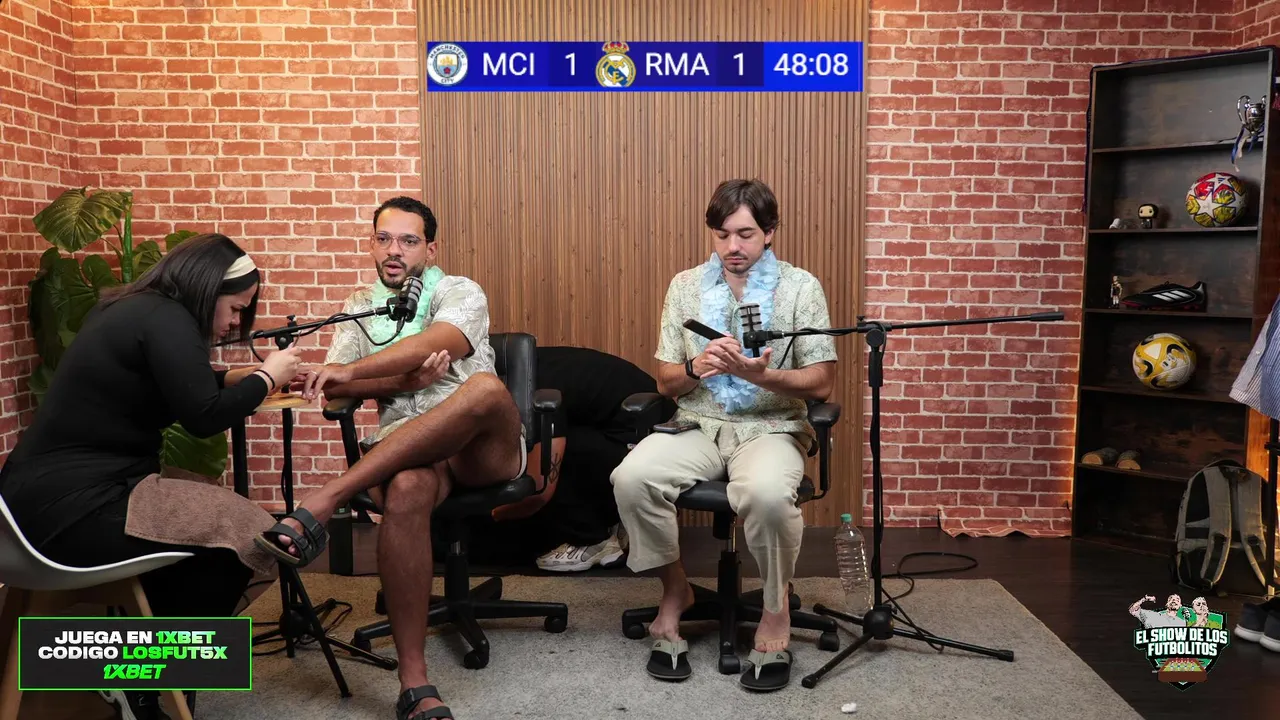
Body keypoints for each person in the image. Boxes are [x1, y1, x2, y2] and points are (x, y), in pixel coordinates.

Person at [0, 233, 300, 720]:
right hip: (72, 508)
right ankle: (149, 684)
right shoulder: (167, 319)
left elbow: (179, 383)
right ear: (208, 290)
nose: (234, 323)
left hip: (35, 500)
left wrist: (239, 378)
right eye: (236, 309)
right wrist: (268, 377)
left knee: (212, 529)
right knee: (249, 538)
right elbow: (203, 415)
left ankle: (136, 675)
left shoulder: (134, 308)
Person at [253, 196, 527, 720]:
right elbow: (333, 387)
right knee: (405, 489)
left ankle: (324, 499)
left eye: (408, 240)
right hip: (409, 447)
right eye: (384, 239)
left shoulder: (459, 290)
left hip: (479, 449)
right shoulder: (359, 307)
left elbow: (439, 341)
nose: (394, 250)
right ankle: (414, 683)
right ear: (372, 245)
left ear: (430, 248)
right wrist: (404, 382)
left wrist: (359, 373)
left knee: (485, 389)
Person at [610, 179, 837, 691]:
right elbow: (666, 381)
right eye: (722, 235)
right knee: (631, 477)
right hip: (698, 422)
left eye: (745, 234)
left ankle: (775, 608)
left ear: (769, 232)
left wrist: (764, 376)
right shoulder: (685, 286)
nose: (732, 247)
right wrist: (697, 366)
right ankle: (676, 589)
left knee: (767, 495)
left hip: (770, 426)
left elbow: (822, 382)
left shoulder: (801, 288)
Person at [458, 345, 676, 572]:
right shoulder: (520, 361)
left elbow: (541, 490)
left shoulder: (533, 390)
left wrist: (492, 512)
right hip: (637, 428)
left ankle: (592, 541)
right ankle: (615, 523)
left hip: (655, 440)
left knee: (549, 455)